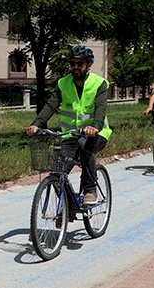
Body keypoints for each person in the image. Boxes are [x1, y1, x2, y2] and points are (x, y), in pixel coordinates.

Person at [25, 45, 111, 205]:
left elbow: (100, 109)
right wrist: (36, 124)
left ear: (89, 65)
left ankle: (90, 189)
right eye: (73, 63)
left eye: (80, 64)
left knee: (86, 147)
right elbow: (51, 105)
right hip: (71, 135)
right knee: (57, 172)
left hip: (97, 134)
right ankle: (68, 207)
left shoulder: (99, 84)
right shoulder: (63, 84)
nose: (75, 67)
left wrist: (95, 127)